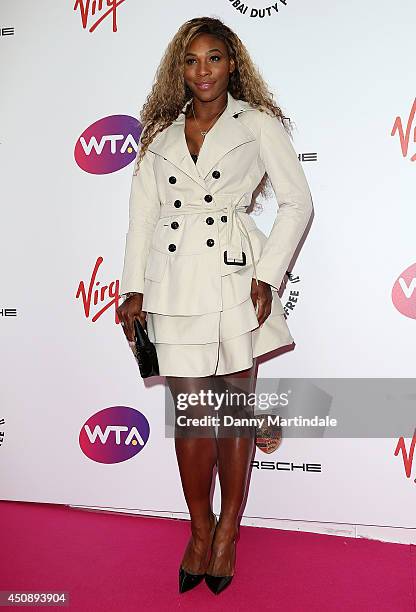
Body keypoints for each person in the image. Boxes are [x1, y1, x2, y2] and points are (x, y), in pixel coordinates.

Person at [116, 16, 313, 595]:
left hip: (232, 279)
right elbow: (142, 218)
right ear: (179, 69)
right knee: (193, 420)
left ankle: (228, 531)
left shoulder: (258, 125)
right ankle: (198, 531)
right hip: (173, 283)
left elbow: (297, 203)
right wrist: (133, 289)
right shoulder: (158, 137)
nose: (203, 71)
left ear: (233, 64)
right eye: (192, 60)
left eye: (215, 58)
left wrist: (268, 276)